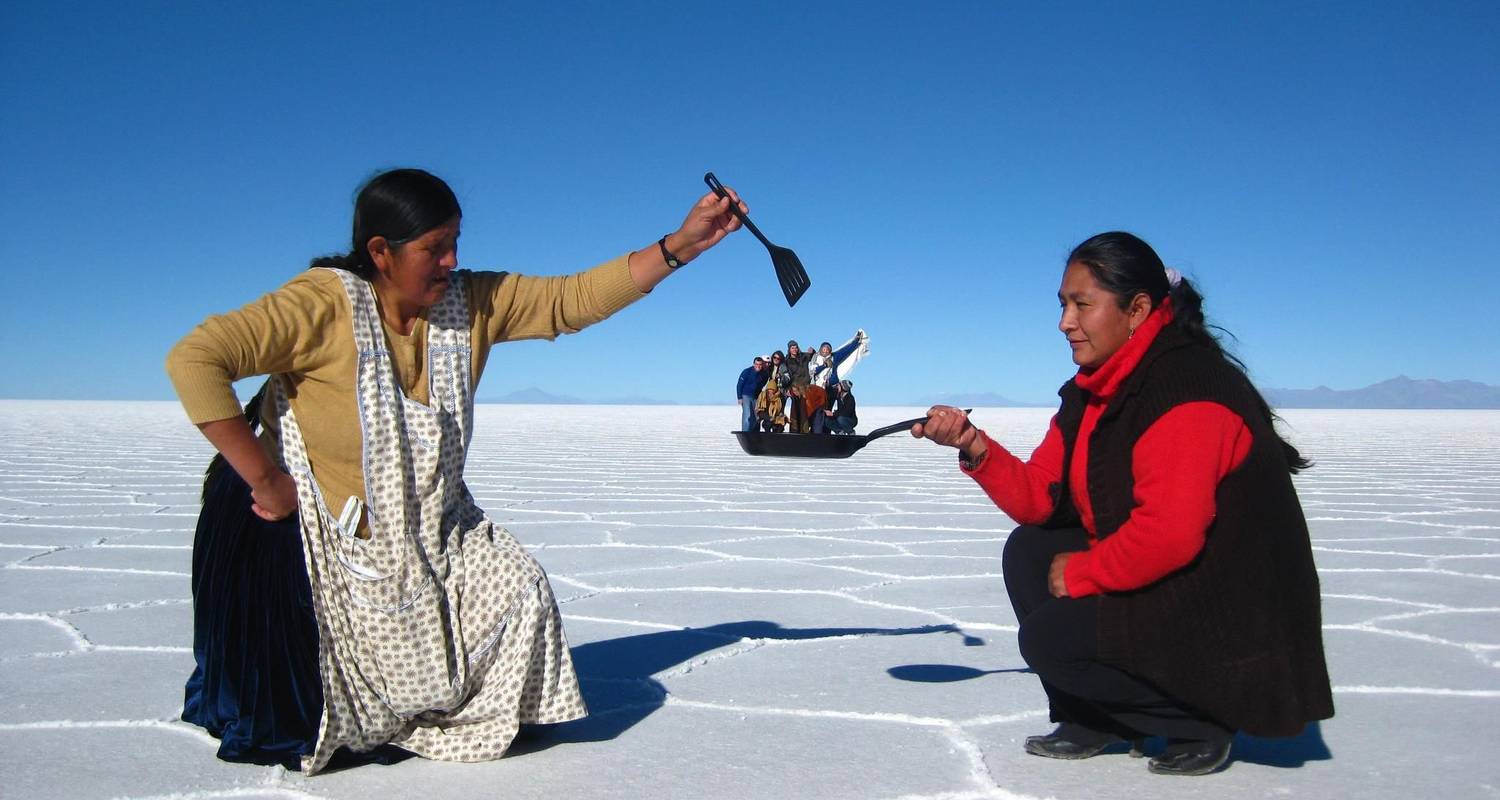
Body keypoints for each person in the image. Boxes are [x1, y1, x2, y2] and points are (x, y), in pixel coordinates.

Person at [166, 168, 745, 774]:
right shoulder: (322, 304)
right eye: (433, 248)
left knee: (520, 589)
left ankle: (477, 717)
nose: (450, 261)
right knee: (322, 707)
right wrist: (264, 478)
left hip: (431, 519)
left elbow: (569, 300)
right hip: (317, 530)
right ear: (380, 253)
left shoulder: (468, 304)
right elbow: (195, 359)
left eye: (455, 242)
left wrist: (683, 245)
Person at [912, 231, 1333, 776]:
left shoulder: (1187, 389)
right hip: (1177, 578)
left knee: (1050, 639)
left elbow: (1172, 534)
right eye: (1063, 304)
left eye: (1082, 304)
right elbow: (1044, 498)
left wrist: (1087, 573)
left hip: (1228, 605)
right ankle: (1095, 717)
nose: (1065, 321)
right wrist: (974, 445)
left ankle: (1200, 718)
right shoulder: (1094, 389)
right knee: (1031, 550)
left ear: (1137, 310)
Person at [782, 340, 813, 432]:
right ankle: (794, 430)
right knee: (795, 409)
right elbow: (786, 375)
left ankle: (804, 431)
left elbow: (814, 357)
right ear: (789, 349)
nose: (794, 349)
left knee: (804, 409)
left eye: (796, 347)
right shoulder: (787, 361)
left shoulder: (804, 356)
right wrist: (788, 388)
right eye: (792, 348)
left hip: (805, 386)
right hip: (794, 387)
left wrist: (812, 351)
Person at [736, 356, 769, 432]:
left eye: (760, 364)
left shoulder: (764, 374)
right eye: (756, 364)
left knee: (757, 416)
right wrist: (739, 397)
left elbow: (763, 384)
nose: (758, 366)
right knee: (747, 415)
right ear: (754, 364)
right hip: (746, 396)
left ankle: (755, 434)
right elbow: (739, 385)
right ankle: (745, 433)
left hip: (756, 397)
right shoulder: (746, 372)